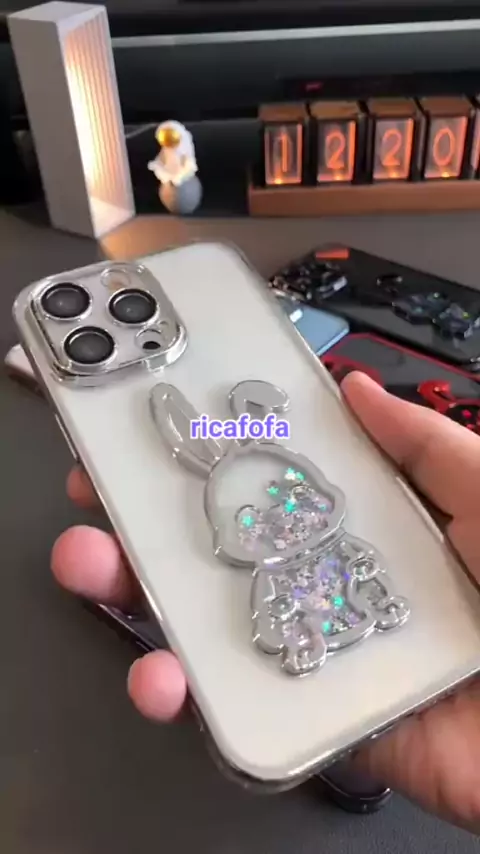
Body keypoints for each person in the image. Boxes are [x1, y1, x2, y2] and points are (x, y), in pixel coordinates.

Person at [51, 372, 480, 834]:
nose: (283, 522)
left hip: (386, 631)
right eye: (253, 518)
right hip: (317, 642)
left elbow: (366, 569)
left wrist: (374, 589)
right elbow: (273, 615)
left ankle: (369, 617)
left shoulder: (338, 545)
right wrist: (292, 633)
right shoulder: (270, 575)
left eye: (294, 499)